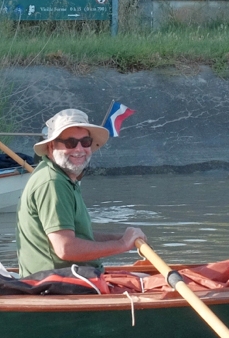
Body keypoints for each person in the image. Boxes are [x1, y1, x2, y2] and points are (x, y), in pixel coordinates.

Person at [16, 109, 146, 276]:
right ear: (50, 146)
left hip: (67, 279)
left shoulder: (62, 178)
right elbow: (66, 248)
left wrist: (121, 238)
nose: (79, 149)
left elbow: (78, 236)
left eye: (85, 142)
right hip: (57, 286)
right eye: (70, 143)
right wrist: (122, 245)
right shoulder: (52, 183)